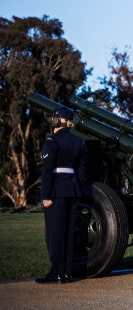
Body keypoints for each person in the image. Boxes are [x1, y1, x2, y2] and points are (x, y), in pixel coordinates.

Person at [36, 107, 87, 284]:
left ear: (57, 121)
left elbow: (48, 170)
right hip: (72, 190)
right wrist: (78, 190)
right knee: (68, 233)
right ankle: (66, 272)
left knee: (55, 232)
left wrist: (46, 195)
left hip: (57, 190)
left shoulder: (52, 140)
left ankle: (57, 272)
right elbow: (81, 170)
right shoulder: (78, 142)